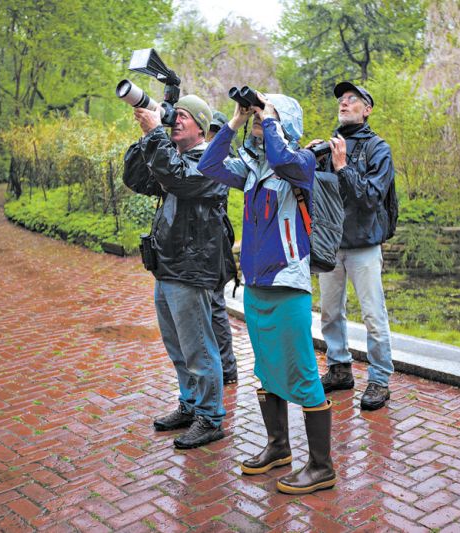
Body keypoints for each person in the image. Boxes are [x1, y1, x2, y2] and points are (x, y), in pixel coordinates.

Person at [198, 93, 337, 495]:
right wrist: (234, 122)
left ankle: (322, 466)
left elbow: (281, 158)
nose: (259, 117)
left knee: (303, 374)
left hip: (288, 285)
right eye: (258, 114)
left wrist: (271, 118)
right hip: (256, 285)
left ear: (284, 120)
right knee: (266, 370)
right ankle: (278, 447)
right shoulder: (251, 168)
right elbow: (208, 165)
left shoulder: (302, 162)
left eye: (266, 113)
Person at [122, 95, 237, 449]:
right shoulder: (173, 157)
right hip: (167, 266)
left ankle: (210, 417)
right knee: (178, 348)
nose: (176, 121)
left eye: (183, 116)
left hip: (192, 268)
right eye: (175, 115)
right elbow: (135, 178)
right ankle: (190, 405)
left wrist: (156, 133)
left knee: (199, 348)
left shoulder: (212, 162)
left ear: (201, 127)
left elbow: (179, 180)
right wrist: (147, 136)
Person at [307, 82, 396, 411]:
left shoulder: (378, 149)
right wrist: (309, 159)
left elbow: (371, 198)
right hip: (331, 245)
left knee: (373, 315)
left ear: (366, 109)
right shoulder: (330, 146)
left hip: (364, 246)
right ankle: (339, 368)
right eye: (341, 100)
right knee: (330, 312)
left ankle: (379, 379)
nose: (343, 104)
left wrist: (343, 166)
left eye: (351, 100)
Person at [207, 109, 238, 386]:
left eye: (215, 132)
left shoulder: (222, 161)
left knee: (216, 305)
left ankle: (227, 367)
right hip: (208, 241)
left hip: (215, 242)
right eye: (209, 131)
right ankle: (222, 364)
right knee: (211, 305)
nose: (211, 137)